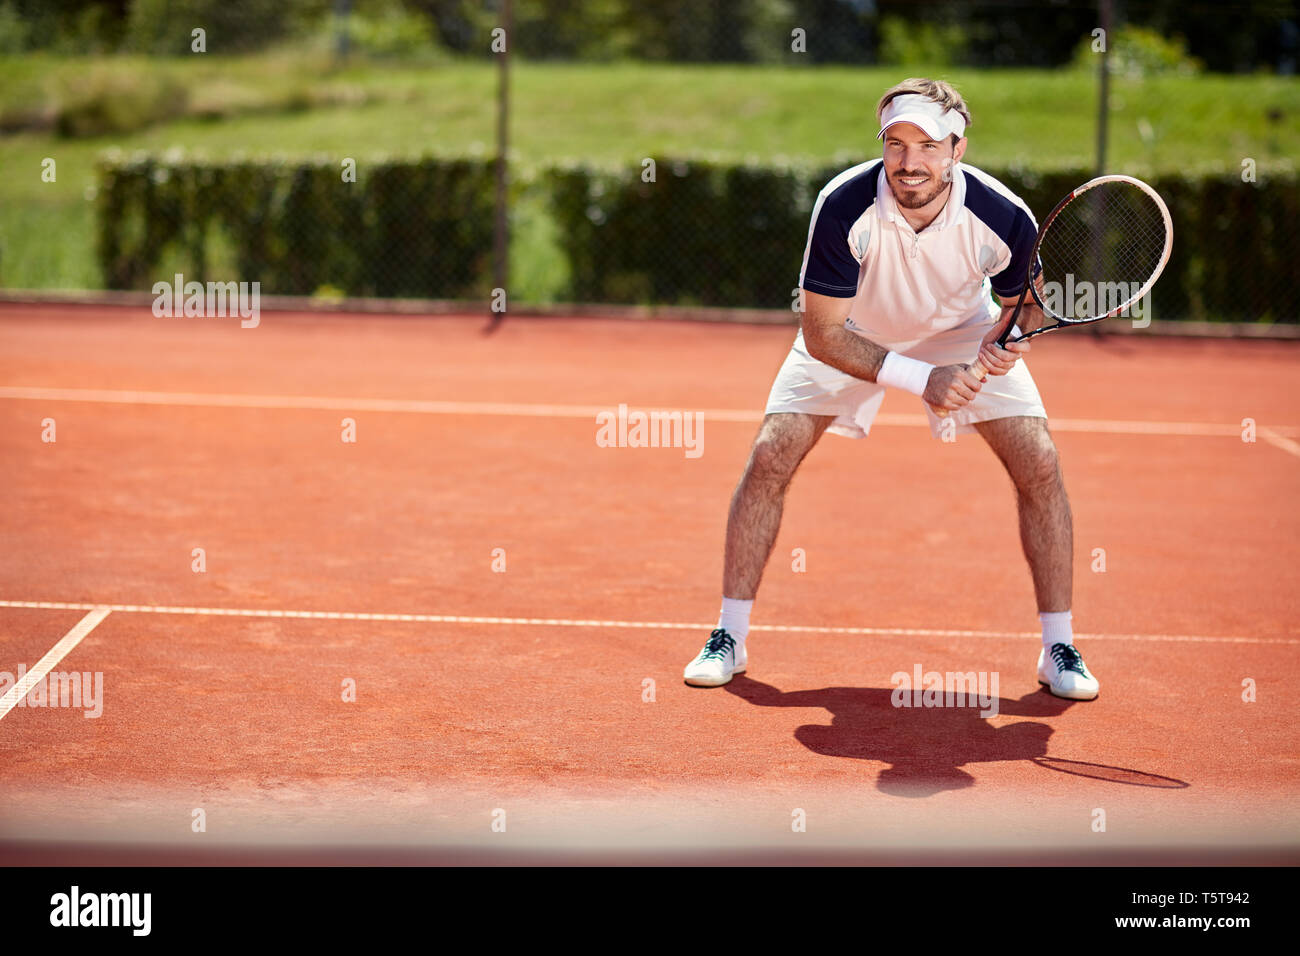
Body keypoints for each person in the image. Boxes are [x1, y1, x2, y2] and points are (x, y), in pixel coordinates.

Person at [683, 77, 1099, 701]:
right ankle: (729, 636)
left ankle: (1058, 645)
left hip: (961, 331)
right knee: (771, 453)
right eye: (896, 143)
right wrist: (921, 379)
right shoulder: (843, 203)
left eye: (927, 145)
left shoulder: (1004, 215)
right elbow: (822, 334)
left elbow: (1024, 307)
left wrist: (1004, 340)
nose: (909, 162)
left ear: (957, 148)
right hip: (852, 329)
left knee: (1039, 463)